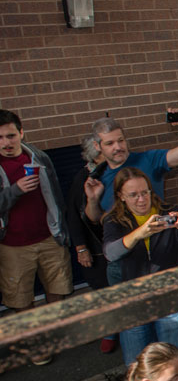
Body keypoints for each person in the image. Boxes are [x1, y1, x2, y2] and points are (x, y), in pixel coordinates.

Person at [103, 168, 178, 381]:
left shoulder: (169, 213)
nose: (141, 199)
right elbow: (111, 253)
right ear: (121, 196)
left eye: (145, 192)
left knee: (176, 358)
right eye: (133, 195)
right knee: (137, 364)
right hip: (135, 302)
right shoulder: (114, 221)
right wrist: (139, 234)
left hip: (172, 298)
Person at [0, 110, 72, 336]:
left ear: (21, 133)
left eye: (11, 135)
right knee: (21, 298)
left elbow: (56, 196)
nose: (6, 143)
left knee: (57, 289)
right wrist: (15, 190)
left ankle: (53, 334)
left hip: (49, 237)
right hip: (12, 245)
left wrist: (62, 229)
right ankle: (34, 341)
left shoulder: (39, 157)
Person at [89, 110, 178, 213]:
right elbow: (95, 219)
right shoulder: (98, 178)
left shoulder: (149, 159)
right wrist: (92, 200)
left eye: (121, 140)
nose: (118, 147)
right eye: (110, 143)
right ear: (97, 146)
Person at [67, 134, 117, 353]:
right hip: (97, 247)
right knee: (105, 292)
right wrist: (81, 248)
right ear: (96, 154)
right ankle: (110, 332)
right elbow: (74, 216)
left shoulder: (118, 172)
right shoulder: (84, 178)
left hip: (119, 241)